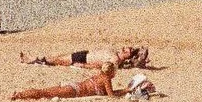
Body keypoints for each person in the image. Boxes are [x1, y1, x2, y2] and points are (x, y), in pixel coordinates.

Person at [11, 65, 118, 101]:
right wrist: (126, 90)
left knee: (44, 91)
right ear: (111, 71)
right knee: (44, 93)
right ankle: (19, 96)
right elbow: (111, 95)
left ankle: (20, 94)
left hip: (73, 86)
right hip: (75, 91)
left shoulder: (99, 75)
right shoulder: (106, 79)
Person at [19, 44, 149, 70]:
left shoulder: (115, 60)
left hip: (84, 59)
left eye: (129, 49)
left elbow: (100, 66)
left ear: (128, 55)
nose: (125, 47)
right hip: (85, 54)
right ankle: (34, 59)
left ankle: (31, 60)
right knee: (58, 57)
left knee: (57, 60)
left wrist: (84, 66)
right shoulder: (116, 54)